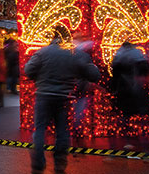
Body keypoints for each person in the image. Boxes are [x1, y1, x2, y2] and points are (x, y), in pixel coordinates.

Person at [24, 31, 100, 174]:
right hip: (64, 96)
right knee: (62, 130)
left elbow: (28, 70)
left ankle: (38, 163)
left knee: (40, 129)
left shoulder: (42, 52)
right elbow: (94, 75)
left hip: (43, 96)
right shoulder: (74, 54)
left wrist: (40, 78)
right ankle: (60, 163)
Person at [110, 42, 149, 150]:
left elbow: (115, 73)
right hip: (136, 89)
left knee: (126, 115)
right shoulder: (137, 54)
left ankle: (129, 140)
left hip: (125, 90)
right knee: (144, 114)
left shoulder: (119, 56)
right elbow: (145, 68)